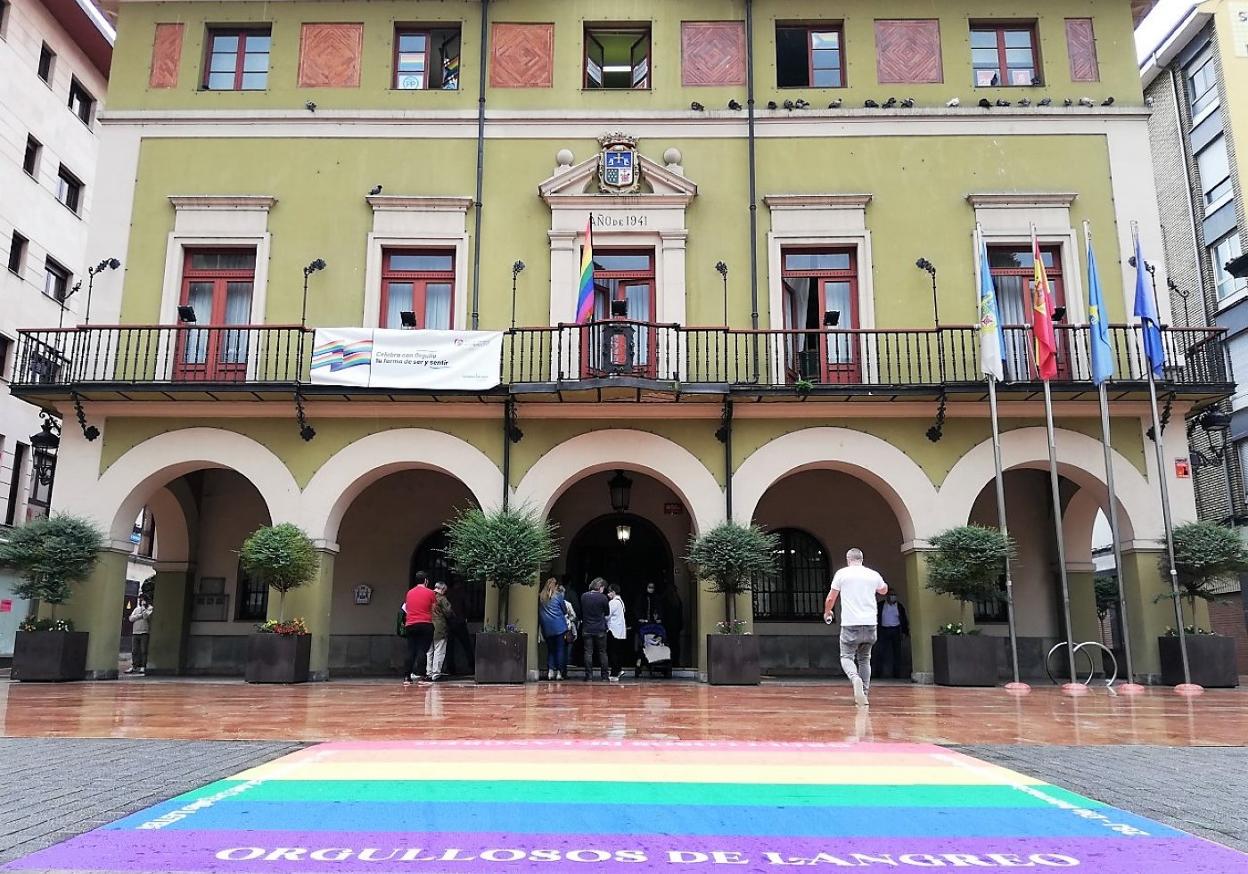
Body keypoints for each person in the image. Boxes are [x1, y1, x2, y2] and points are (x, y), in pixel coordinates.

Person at [824, 548, 888, 707]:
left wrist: (827, 611)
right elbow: (884, 590)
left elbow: (832, 597)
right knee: (865, 659)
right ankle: (864, 694)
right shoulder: (872, 574)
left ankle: (854, 678)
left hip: (850, 624)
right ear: (862, 559)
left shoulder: (842, 574)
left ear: (848, 559)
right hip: (870, 623)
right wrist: (879, 586)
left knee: (846, 656)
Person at [402, 573, 436, 686]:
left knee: (410, 650)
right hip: (425, 623)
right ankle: (422, 676)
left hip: (410, 624)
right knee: (422, 649)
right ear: (426, 580)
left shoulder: (409, 592)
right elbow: (434, 608)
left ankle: (407, 677)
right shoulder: (430, 592)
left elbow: (407, 607)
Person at [539, 577, 569, 680]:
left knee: (551, 650)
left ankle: (550, 671)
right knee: (560, 649)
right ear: (556, 586)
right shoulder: (558, 596)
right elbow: (564, 610)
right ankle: (559, 673)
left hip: (547, 628)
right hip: (559, 627)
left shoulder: (541, 597)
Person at [580, 578, 610, 681]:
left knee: (588, 652)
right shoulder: (603, 598)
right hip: (600, 628)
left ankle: (589, 676)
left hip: (587, 628)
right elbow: (607, 612)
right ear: (600, 587)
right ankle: (605, 676)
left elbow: (582, 610)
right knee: (602, 652)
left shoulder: (584, 596)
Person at [442, 579, 474, 676]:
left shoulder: (448, 594)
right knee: (467, 646)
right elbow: (468, 606)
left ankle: (451, 668)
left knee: (449, 647)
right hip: (460, 622)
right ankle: (472, 666)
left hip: (449, 623)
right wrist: (465, 616)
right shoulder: (463, 593)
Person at [876, 592, 910, 680]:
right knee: (880, 651)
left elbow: (903, 619)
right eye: (891, 595)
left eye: (894, 595)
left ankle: (897, 673)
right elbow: (876, 617)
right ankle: (879, 673)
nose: (892, 597)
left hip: (895, 630)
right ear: (887, 596)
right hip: (883, 630)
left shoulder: (899, 606)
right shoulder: (880, 605)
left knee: (897, 652)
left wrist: (904, 632)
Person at [426, 582, 454, 682]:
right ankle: (436, 674)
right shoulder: (442, 598)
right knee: (439, 651)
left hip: (428, 626)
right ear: (442, 589)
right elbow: (449, 612)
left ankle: (428, 673)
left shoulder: (428, 597)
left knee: (429, 651)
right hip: (439, 628)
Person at [125, 595, 154, 675]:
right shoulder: (136, 609)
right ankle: (134, 666)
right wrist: (139, 615)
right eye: (140, 600)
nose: (140, 601)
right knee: (134, 650)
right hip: (135, 632)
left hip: (144, 632)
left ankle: (143, 666)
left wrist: (144, 608)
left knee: (143, 650)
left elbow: (146, 616)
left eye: (142, 600)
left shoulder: (150, 608)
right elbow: (131, 618)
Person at [607, 584, 628, 682]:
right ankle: (618, 670)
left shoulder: (613, 602)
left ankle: (614, 673)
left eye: (609, 592)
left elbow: (607, 615)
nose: (608, 594)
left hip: (613, 630)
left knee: (613, 653)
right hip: (620, 631)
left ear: (613, 592)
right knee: (618, 652)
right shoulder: (621, 602)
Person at [662, 584, 684, 667]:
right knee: (675, 645)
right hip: (675, 627)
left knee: (667, 644)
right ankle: (675, 662)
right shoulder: (677, 601)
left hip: (667, 626)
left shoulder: (665, 600)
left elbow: (663, 614)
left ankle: (667, 662)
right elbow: (680, 615)